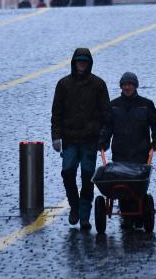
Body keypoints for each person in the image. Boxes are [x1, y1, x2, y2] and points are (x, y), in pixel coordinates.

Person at [51, 47, 110, 230]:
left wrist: (103, 138)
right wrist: (56, 136)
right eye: (79, 62)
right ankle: (74, 206)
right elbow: (57, 113)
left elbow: (106, 114)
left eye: (84, 62)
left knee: (87, 177)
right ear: (74, 63)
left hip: (90, 141)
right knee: (67, 172)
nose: (81, 65)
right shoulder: (63, 85)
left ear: (89, 64)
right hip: (69, 139)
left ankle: (84, 215)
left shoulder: (99, 85)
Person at [98, 71, 156, 229]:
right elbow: (107, 127)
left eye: (130, 84)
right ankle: (127, 216)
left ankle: (139, 213)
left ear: (135, 86)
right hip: (120, 153)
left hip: (140, 153)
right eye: (125, 84)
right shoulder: (113, 106)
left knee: (136, 186)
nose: (127, 87)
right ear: (121, 86)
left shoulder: (146, 104)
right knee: (122, 186)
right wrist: (102, 141)